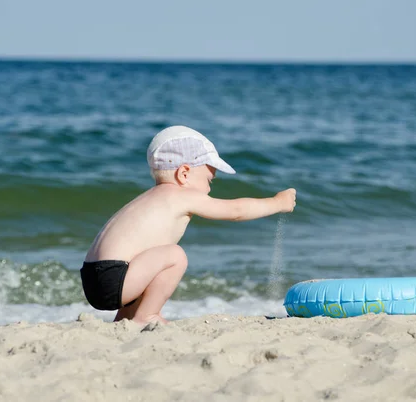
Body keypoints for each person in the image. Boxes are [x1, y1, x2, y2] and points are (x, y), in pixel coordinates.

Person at [80, 125, 296, 325]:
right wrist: (276, 203)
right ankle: (147, 315)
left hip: (94, 277)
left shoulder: (147, 199)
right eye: (208, 181)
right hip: (114, 278)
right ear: (184, 174)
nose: (209, 190)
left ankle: (126, 318)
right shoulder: (182, 196)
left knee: (153, 258)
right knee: (175, 256)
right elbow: (236, 211)